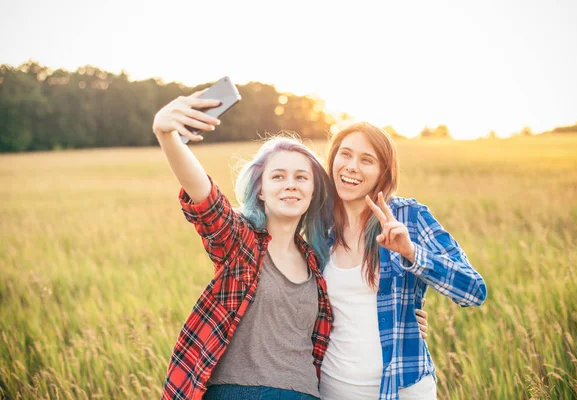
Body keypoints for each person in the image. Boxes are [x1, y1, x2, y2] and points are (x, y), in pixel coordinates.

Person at [153, 90, 335, 400]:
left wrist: (409, 320)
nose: (290, 184)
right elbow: (205, 198)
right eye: (278, 176)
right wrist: (166, 134)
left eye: (301, 177)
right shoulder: (241, 240)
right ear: (261, 191)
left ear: (313, 191)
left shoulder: (318, 260)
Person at [319, 122, 487, 400]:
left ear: (383, 172)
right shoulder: (319, 226)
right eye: (345, 154)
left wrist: (412, 253)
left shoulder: (410, 217)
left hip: (403, 389)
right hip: (333, 389)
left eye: (366, 160)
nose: (351, 166)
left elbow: (474, 291)